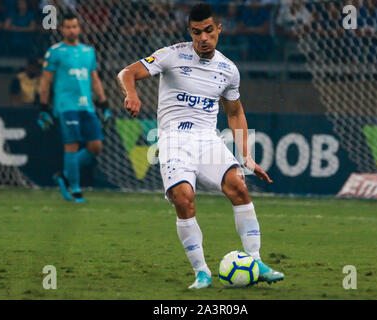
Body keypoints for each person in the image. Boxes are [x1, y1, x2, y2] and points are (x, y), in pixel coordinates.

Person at [117, 3, 284, 289]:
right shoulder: (171, 55)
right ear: (189, 32)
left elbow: (234, 113)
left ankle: (255, 262)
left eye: (208, 30)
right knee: (184, 199)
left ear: (219, 28)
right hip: (174, 141)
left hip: (207, 140)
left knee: (239, 187)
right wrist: (131, 94)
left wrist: (246, 155)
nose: (203, 38)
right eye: (196, 32)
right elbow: (126, 72)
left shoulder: (228, 70)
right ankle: (202, 272)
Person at [38, 13, 113, 203]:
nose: (72, 30)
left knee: (96, 147)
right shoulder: (54, 51)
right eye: (68, 27)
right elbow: (45, 81)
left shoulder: (89, 52)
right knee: (71, 145)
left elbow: (94, 79)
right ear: (62, 29)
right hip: (66, 106)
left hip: (87, 106)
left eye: (74, 26)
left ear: (79, 28)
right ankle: (75, 189)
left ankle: (64, 175)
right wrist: (43, 107)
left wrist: (103, 104)